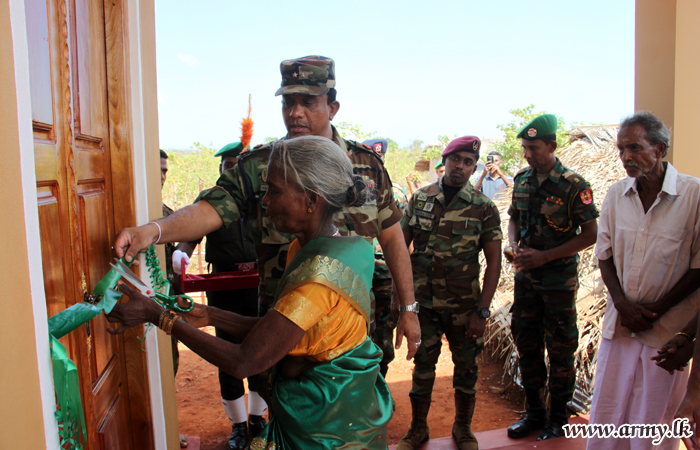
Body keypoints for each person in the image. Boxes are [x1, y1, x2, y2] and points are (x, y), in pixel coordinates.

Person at [112, 55, 421, 360]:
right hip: (278, 330)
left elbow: (392, 238)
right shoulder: (261, 165)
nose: (295, 113)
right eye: (288, 103)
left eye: (308, 102)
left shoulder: (366, 164)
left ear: (332, 108)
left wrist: (408, 307)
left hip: (351, 330)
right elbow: (211, 210)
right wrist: (153, 231)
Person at [107, 136, 393, 449]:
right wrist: (211, 314)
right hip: (341, 411)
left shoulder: (317, 277)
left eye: (274, 189)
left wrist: (157, 315)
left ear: (312, 199)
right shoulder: (345, 248)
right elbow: (282, 330)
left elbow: (245, 361)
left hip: (324, 430)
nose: (265, 200)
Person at [586, 111, 700, 450]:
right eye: (622, 150)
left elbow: (698, 266)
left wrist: (657, 308)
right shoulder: (616, 194)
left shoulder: (693, 196)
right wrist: (623, 304)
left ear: (661, 149)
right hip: (621, 326)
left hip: (668, 331)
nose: (626, 158)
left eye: (635, 148)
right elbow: (604, 255)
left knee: (652, 426)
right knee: (607, 417)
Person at [397, 136, 503, 450]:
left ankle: (464, 429)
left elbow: (494, 262)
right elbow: (399, 248)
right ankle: (417, 430)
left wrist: (482, 311)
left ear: (474, 167)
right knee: (422, 369)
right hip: (424, 305)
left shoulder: (484, 206)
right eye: (455, 159)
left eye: (468, 162)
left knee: (467, 370)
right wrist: (401, 301)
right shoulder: (420, 199)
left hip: (464, 307)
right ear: (445, 161)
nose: (460, 167)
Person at [504, 114, 599, 441]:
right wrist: (513, 244)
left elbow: (590, 234)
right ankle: (534, 414)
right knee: (527, 347)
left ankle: (558, 419)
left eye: (534, 147)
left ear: (552, 146)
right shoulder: (521, 180)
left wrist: (544, 256)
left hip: (558, 284)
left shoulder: (574, 185)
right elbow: (514, 218)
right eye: (525, 148)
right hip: (525, 283)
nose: (528, 154)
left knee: (560, 351)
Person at [172, 142, 266, 450]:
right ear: (221, 169)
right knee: (227, 352)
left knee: (262, 349)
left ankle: (257, 419)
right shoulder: (209, 201)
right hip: (223, 284)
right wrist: (182, 255)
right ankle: (238, 426)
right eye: (227, 165)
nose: (231, 169)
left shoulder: (263, 197)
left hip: (259, 283)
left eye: (238, 164)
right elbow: (190, 236)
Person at [362, 138, 410, 377]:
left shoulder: (396, 191)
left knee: (379, 332)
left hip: (380, 276)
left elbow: (401, 240)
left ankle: (377, 381)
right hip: (366, 274)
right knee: (373, 331)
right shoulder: (396, 190)